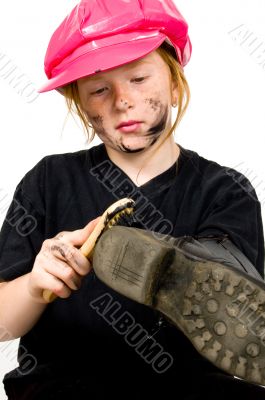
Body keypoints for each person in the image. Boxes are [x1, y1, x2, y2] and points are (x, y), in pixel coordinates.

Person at [0, 0, 264, 399]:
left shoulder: (227, 190)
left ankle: (202, 260)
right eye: (99, 89)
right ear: (81, 105)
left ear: (175, 84)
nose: (121, 100)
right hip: (63, 383)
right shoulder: (48, 181)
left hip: (188, 387)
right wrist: (35, 285)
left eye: (139, 78)